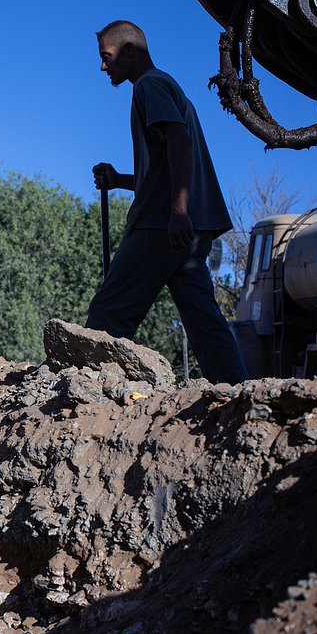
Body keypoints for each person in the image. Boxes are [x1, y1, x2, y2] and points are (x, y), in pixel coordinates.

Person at [88, 20, 247, 385]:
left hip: (162, 225)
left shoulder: (150, 85)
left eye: (106, 57)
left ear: (129, 51)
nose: (102, 66)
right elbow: (163, 168)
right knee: (204, 323)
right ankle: (238, 395)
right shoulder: (163, 85)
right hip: (190, 229)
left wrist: (177, 211)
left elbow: (179, 142)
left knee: (107, 315)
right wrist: (119, 181)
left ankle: (83, 403)